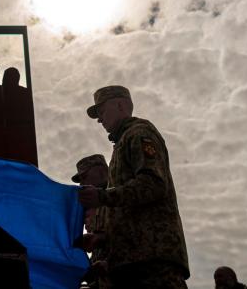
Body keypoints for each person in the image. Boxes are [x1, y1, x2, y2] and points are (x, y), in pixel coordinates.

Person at [78, 85, 189, 288]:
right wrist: (102, 238)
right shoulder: (122, 144)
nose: (99, 119)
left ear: (121, 105)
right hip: (132, 261)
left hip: (152, 260)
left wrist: (102, 197)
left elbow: (153, 184)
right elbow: (127, 211)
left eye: (101, 111)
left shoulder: (138, 134)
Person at [72, 154, 109, 289]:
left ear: (100, 171)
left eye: (84, 177)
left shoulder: (120, 201)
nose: (81, 184)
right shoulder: (91, 206)